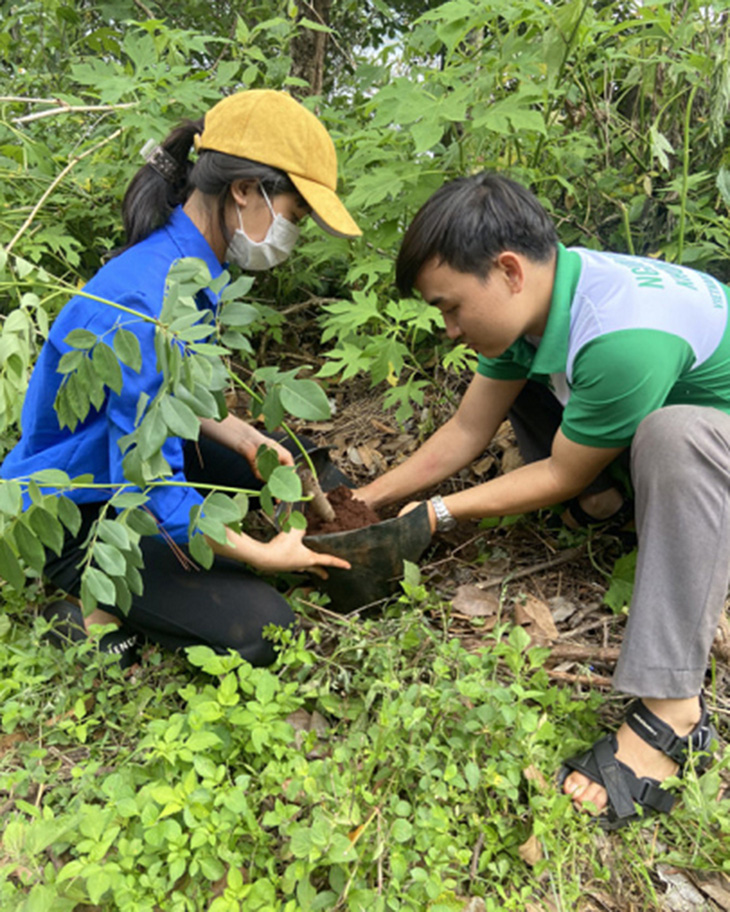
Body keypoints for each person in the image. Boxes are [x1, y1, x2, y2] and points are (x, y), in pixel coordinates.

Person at [356, 172, 725, 829]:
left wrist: (440, 512)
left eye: (451, 307)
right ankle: (621, 509)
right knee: (537, 381)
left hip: (708, 461)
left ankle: (673, 712)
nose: (446, 327)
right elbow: (467, 431)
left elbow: (559, 473)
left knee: (676, 434)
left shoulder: (621, 336)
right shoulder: (547, 297)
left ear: (507, 271)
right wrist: (367, 499)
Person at [1, 89, 361, 669]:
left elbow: (171, 398)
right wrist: (266, 555)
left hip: (130, 458)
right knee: (264, 628)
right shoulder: (143, 301)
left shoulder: (193, 267)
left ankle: (180, 579)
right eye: (293, 216)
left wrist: (245, 437)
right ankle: (82, 608)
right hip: (85, 505)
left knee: (299, 469)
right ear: (244, 191)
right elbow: (152, 486)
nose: (292, 236)